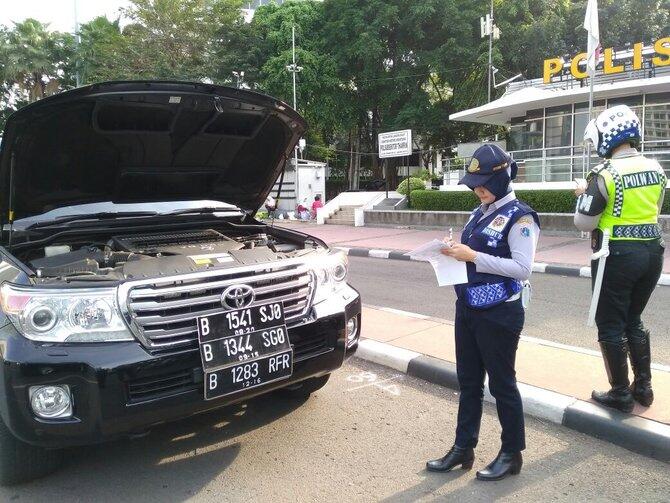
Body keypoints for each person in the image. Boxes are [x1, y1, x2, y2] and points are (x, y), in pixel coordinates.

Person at [426, 144, 540, 481]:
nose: (478, 189)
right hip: (468, 307)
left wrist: (471, 256)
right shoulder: (480, 211)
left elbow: (522, 268)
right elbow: (470, 251)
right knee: (469, 382)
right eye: (474, 183)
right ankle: (463, 447)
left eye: (483, 182)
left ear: (503, 176)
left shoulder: (520, 216)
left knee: (502, 384)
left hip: (499, 312)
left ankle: (511, 453)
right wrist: (451, 251)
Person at [575, 104, 666, 412]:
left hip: (615, 254)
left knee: (610, 323)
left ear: (606, 138)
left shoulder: (605, 173)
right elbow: (655, 207)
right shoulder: (656, 167)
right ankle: (644, 387)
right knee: (634, 319)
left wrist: (582, 193)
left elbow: (584, 221)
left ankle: (620, 394)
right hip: (653, 252)